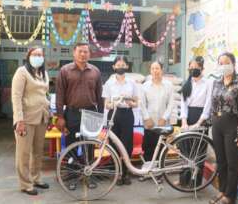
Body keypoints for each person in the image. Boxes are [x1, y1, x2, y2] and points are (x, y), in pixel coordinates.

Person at [55, 42, 103, 190]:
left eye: (86, 52)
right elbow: (60, 95)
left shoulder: (95, 71)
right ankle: (72, 175)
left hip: (91, 112)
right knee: (71, 146)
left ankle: (89, 175)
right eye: (80, 51)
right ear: (74, 53)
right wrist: (61, 117)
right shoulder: (65, 71)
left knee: (89, 146)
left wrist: (101, 116)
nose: (83, 54)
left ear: (89, 54)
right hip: (72, 113)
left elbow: (100, 96)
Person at [209, 52, 238, 204]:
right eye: (220, 63)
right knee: (221, 161)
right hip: (217, 125)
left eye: (226, 62)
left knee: (232, 162)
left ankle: (230, 196)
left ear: (233, 64)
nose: (223, 65)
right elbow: (213, 104)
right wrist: (209, 120)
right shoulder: (216, 82)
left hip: (231, 125)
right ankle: (222, 190)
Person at [12, 46, 50, 196]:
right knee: (24, 153)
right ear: (28, 56)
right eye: (35, 54)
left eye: (40, 54)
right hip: (26, 119)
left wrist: (48, 108)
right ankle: (25, 184)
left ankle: (36, 178)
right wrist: (19, 120)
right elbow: (16, 97)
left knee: (38, 151)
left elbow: (44, 94)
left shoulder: (43, 73)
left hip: (41, 117)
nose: (38, 57)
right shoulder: (22, 72)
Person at [102, 56, 139, 186]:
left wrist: (129, 101)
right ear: (113, 67)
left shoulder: (132, 83)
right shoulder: (109, 83)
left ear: (127, 67)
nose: (120, 67)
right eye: (118, 65)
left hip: (127, 115)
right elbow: (106, 104)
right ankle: (117, 173)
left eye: (123, 64)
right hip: (113, 115)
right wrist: (112, 104)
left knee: (127, 144)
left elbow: (136, 103)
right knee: (114, 144)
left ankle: (126, 173)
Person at [178, 56, 213, 187]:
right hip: (187, 117)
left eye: (196, 68)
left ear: (202, 68)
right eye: (191, 68)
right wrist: (184, 122)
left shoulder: (208, 83)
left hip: (201, 118)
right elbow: (183, 105)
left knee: (199, 151)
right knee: (185, 151)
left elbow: (208, 104)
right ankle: (183, 180)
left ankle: (195, 182)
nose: (193, 70)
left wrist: (199, 123)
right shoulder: (187, 84)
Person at [140, 60, 174, 163]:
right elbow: (142, 104)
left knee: (161, 148)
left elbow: (171, 104)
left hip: (162, 123)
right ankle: (148, 172)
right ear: (150, 71)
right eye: (153, 68)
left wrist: (164, 118)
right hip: (149, 123)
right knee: (148, 148)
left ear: (162, 70)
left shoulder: (168, 85)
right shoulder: (145, 86)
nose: (155, 71)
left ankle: (159, 173)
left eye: (157, 68)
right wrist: (146, 118)